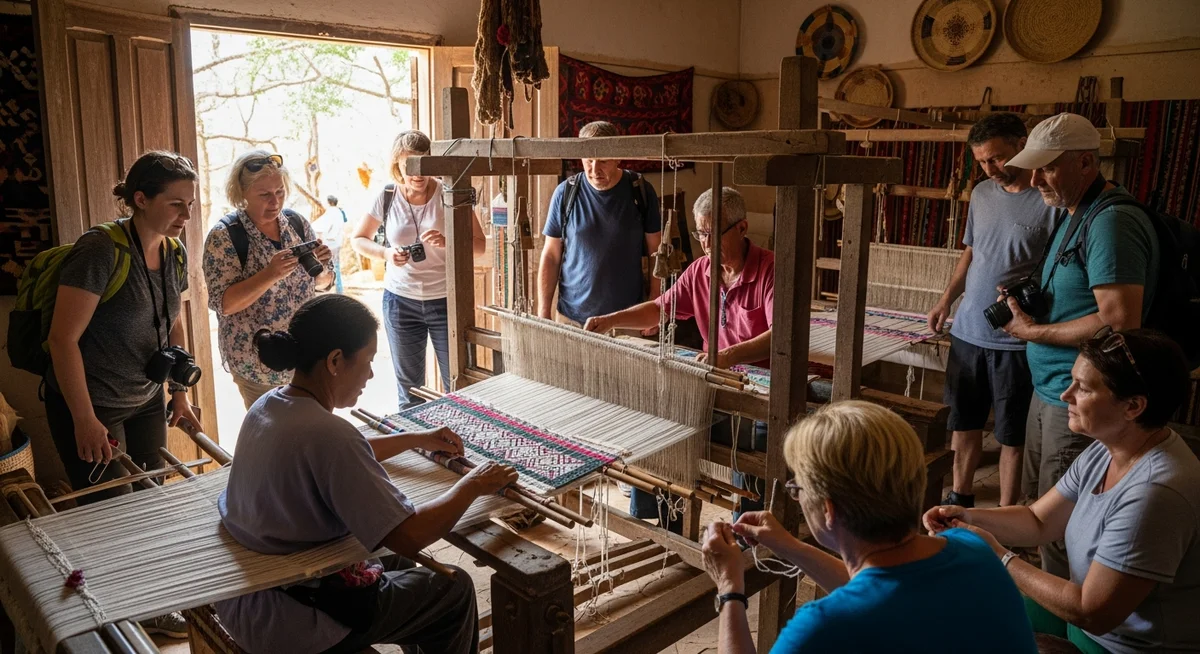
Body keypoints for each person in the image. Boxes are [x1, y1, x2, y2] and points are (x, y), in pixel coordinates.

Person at [216, 294, 518, 654]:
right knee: (453, 592)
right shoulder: (327, 434)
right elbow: (409, 534)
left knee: (403, 565)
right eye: (368, 360)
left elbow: (343, 453)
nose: (371, 373)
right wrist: (473, 484)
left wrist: (415, 439)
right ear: (335, 361)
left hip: (250, 598)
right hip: (292, 618)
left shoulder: (270, 405)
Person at [924, 328, 1200, 654]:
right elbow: (1038, 520)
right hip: (1086, 628)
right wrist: (967, 517)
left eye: (1082, 388)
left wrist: (999, 556)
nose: (1066, 395)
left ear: (1133, 406)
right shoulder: (1108, 448)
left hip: (1121, 647)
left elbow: (1092, 612)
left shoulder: (1155, 493)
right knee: (956, 608)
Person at [701, 401, 1036, 653]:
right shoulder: (972, 548)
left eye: (798, 489)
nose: (796, 496)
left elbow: (871, 601)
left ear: (829, 510)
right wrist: (789, 545)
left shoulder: (822, 626)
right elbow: (885, 590)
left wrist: (730, 587)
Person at [45, 150, 205, 638]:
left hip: (144, 398)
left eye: (190, 204)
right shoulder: (102, 251)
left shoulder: (172, 252)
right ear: (140, 199)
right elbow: (62, 339)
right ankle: (121, 617)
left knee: (151, 499)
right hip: (93, 406)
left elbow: (174, 323)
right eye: (176, 204)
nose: (186, 215)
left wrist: (178, 392)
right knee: (111, 512)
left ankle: (151, 602)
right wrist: (83, 419)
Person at [999, 113, 1159, 578]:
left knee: (1063, 531)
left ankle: (1073, 632)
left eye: (1046, 168)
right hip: (1052, 389)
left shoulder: (1111, 222)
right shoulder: (1075, 215)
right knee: (1038, 508)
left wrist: (1032, 333)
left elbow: (1119, 320)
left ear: (1086, 162)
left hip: (1083, 397)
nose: (1034, 180)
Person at [586, 187, 771, 531]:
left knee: (755, 439)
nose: (705, 243)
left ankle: (748, 533)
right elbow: (659, 309)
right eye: (701, 233)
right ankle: (666, 516)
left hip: (761, 390)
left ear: (742, 228)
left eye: (714, 234)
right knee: (659, 405)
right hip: (717, 380)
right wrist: (611, 320)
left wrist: (726, 356)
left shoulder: (771, 270)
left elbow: (780, 338)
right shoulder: (701, 271)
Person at [927, 113, 1058, 509]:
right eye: (982, 161)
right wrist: (947, 298)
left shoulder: (1050, 199)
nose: (990, 169)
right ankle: (959, 501)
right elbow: (972, 250)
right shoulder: (982, 193)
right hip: (968, 333)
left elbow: (1056, 268)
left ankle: (1007, 517)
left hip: (1015, 341)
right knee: (963, 425)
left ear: (1022, 144)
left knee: (1010, 435)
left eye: (998, 158)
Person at [350, 130, 486, 410]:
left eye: (423, 164)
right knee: (410, 389)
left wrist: (448, 242)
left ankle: (459, 440)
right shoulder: (387, 196)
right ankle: (414, 447)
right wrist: (386, 253)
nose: (417, 174)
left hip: (445, 300)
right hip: (400, 302)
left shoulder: (449, 191)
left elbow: (479, 245)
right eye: (408, 166)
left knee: (457, 382)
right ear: (397, 166)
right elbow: (359, 240)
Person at [203, 151, 334, 409]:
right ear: (241, 193)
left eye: (280, 192)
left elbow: (322, 284)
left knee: (310, 429)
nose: (275, 202)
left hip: (304, 357)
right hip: (258, 362)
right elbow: (225, 304)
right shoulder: (225, 235)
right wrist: (270, 274)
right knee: (272, 436)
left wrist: (321, 270)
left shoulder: (297, 224)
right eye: (264, 195)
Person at [538, 121, 663, 326]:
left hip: (627, 320)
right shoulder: (565, 193)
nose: (595, 169)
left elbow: (656, 251)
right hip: (572, 319)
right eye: (589, 160)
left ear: (618, 158)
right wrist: (544, 311)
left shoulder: (640, 190)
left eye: (603, 161)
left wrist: (653, 304)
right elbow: (551, 255)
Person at [317, 194, 348, 293]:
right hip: (337, 243)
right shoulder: (339, 211)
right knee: (336, 266)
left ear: (328, 202)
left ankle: (338, 290)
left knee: (332, 267)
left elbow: (319, 226)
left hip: (330, 244)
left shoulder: (330, 212)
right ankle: (339, 290)